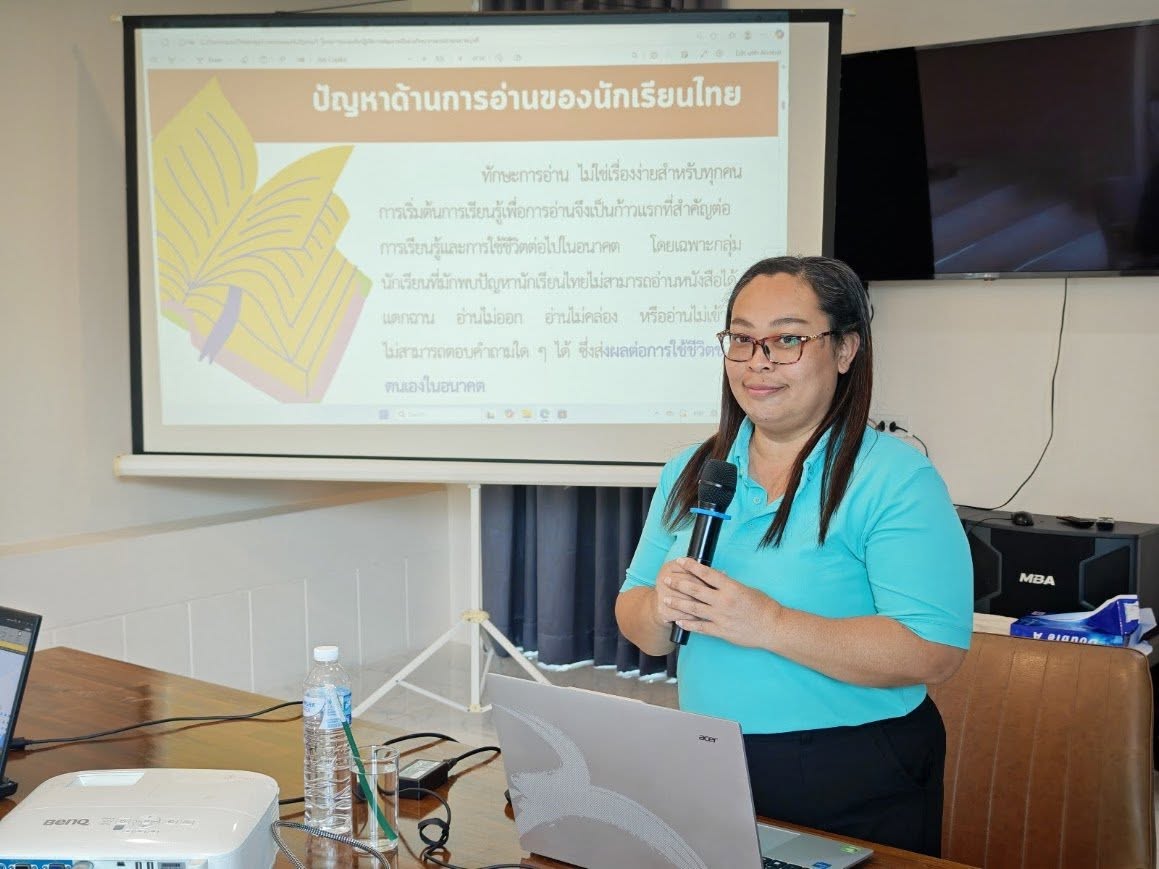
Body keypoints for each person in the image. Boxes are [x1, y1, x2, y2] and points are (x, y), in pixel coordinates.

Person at [615, 255, 973, 857]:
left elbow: (934, 650)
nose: (759, 361)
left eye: (787, 340)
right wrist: (659, 607)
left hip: (853, 766)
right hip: (710, 757)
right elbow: (637, 617)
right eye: (742, 339)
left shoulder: (895, 477)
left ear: (845, 349)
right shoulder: (693, 469)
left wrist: (769, 624)